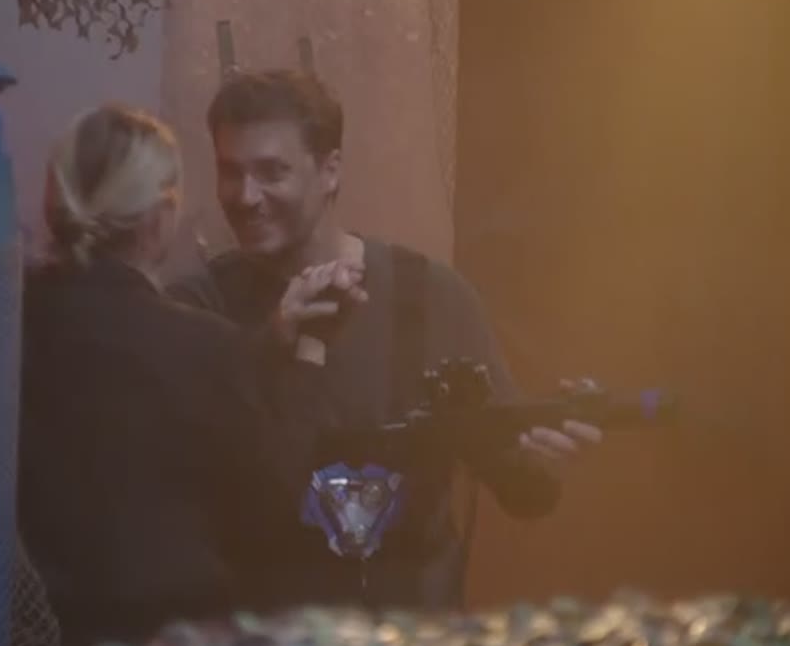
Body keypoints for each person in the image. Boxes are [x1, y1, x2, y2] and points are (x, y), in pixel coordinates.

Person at [166, 69, 604, 612]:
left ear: (330, 170)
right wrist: (272, 345)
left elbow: (523, 491)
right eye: (231, 173)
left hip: (410, 642)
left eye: (272, 172)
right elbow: (178, 489)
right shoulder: (197, 306)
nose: (246, 196)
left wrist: (544, 459)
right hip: (260, 645)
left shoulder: (431, 297)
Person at [15, 103, 367, 646]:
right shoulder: (201, 346)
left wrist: (265, 341)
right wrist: (310, 350)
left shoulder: (3, 330)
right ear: (160, 217)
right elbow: (279, 504)